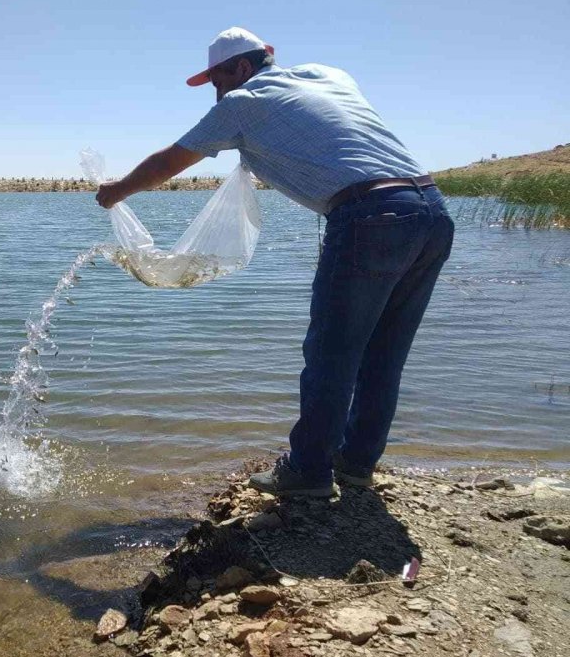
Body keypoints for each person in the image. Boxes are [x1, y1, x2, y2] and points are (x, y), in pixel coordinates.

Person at [96, 27, 454, 497]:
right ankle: (355, 465)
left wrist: (115, 192)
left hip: (369, 217)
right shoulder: (327, 75)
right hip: (430, 212)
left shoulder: (242, 103)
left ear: (242, 69)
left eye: (218, 80)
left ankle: (307, 472)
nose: (217, 92)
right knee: (385, 353)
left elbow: (171, 161)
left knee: (332, 352)